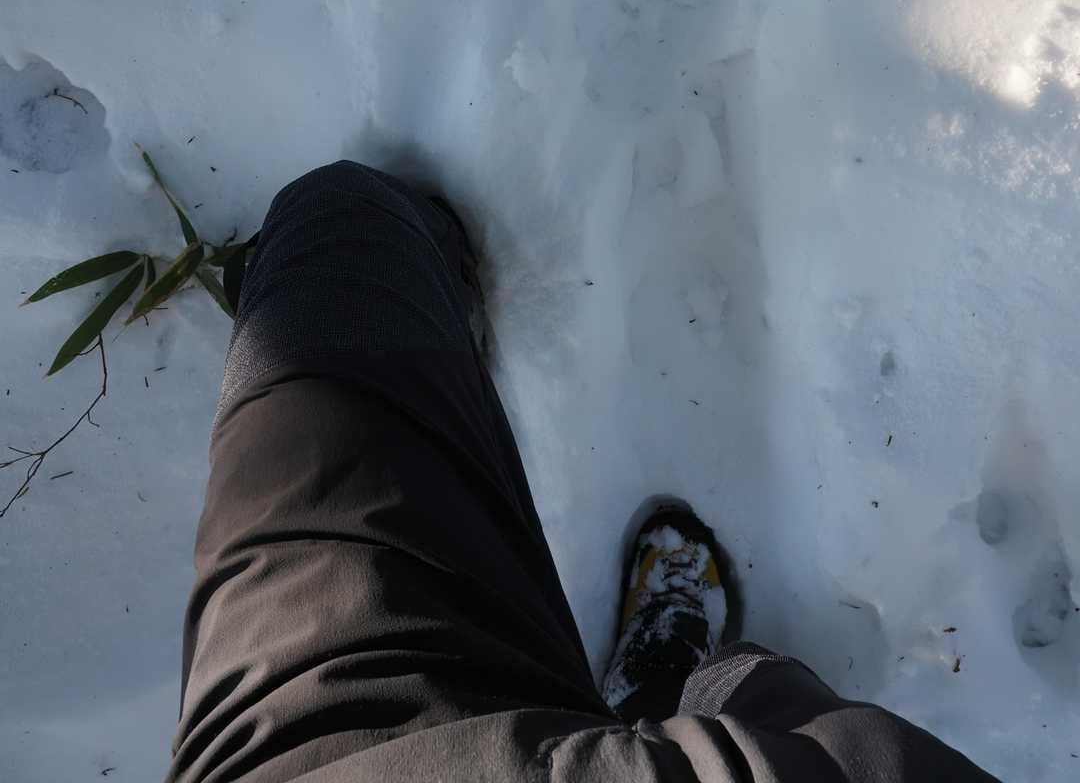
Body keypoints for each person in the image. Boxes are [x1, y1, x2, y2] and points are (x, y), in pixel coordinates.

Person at [167, 162, 996, 782]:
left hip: (312, 743)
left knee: (336, 230)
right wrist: (743, 693)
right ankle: (666, 691)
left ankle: (672, 697)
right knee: (745, 696)